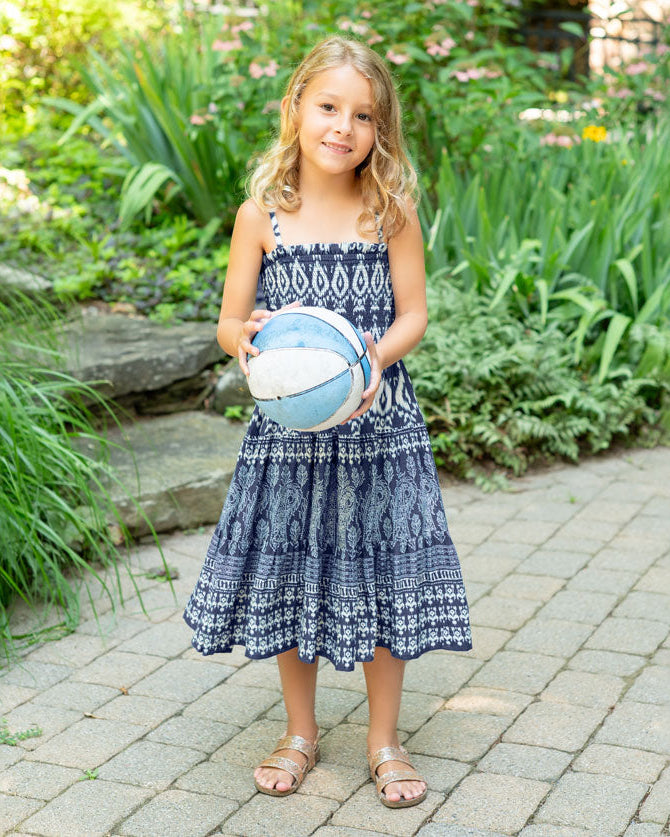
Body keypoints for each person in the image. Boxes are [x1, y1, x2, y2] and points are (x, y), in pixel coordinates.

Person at [183, 35, 472, 809]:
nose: (344, 126)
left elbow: (414, 314)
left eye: (364, 115)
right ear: (295, 109)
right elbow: (229, 320)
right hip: (290, 434)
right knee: (287, 570)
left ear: (381, 130)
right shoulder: (262, 214)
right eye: (329, 107)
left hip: (380, 428)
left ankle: (384, 739)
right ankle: (300, 731)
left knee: (382, 573)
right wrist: (242, 340)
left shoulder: (390, 211)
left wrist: (373, 359)